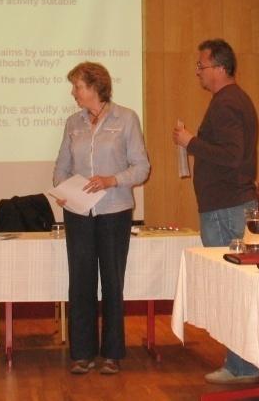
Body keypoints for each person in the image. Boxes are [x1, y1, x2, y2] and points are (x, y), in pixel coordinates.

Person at [172, 38, 259, 385]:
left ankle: (242, 366)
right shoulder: (233, 100)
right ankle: (242, 364)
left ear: (221, 68)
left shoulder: (226, 104)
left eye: (202, 65)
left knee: (232, 288)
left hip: (226, 208)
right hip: (230, 204)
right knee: (236, 288)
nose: (198, 71)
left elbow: (231, 155)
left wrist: (190, 142)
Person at [53, 62, 150, 376]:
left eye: (77, 86)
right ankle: (82, 354)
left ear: (95, 87)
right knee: (80, 283)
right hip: (78, 213)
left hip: (114, 212)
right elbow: (61, 167)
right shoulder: (73, 123)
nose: (73, 92)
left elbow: (141, 167)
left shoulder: (126, 119)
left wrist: (112, 180)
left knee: (112, 282)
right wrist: (62, 190)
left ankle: (111, 354)